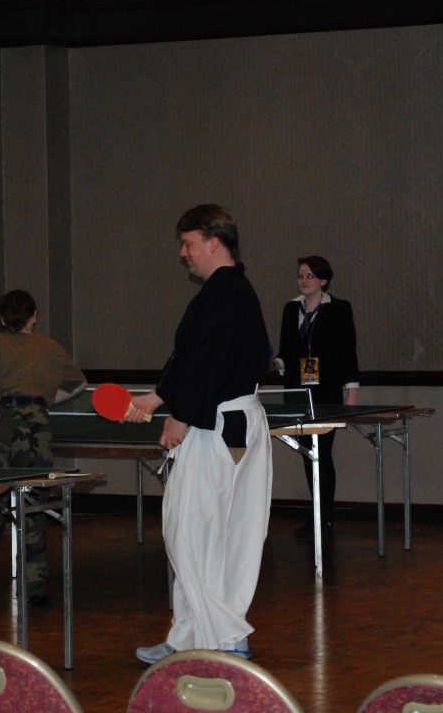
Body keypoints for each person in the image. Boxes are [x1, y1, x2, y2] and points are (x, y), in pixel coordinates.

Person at [124, 204, 273, 664]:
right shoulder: (227, 292)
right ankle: (190, 634)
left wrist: (182, 416)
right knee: (214, 535)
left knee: (188, 533)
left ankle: (226, 637)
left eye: (188, 244)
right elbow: (191, 357)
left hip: (216, 424)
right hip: (229, 420)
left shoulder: (225, 293)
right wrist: (157, 397)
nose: (183, 253)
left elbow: (211, 363)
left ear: (213, 241)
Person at [0, 289, 87, 615]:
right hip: (34, 426)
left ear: (2, 318)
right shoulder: (49, 347)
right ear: (34, 316)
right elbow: (79, 383)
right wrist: (46, 399)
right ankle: (35, 589)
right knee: (34, 503)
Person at [272, 255, 360, 541]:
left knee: (321, 452)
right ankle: (317, 515)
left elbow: (348, 351)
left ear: (324, 280)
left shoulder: (339, 309)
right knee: (307, 455)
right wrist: (275, 363)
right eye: (301, 275)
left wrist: (352, 391)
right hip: (297, 391)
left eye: (310, 275)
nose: (304, 280)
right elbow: (287, 351)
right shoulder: (291, 308)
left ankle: (325, 518)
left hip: (326, 391)